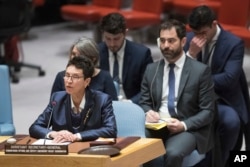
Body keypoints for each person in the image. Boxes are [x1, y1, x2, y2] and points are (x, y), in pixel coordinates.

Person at [139, 19, 216, 167]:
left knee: (172, 153)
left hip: (186, 127)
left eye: (171, 41)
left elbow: (208, 111)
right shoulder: (151, 70)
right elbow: (144, 101)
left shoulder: (200, 71)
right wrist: (147, 112)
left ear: (183, 41)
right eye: (162, 41)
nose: (166, 46)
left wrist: (184, 125)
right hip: (157, 125)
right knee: (140, 145)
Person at [184, 5, 250, 166]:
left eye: (203, 33)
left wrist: (198, 81)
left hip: (222, 99)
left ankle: (221, 162)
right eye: (195, 32)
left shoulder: (234, 44)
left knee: (230, 122)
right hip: (194, 101)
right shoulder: (189, 41)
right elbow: (179, 75)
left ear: (214, 24)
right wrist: (191, 55)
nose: (199, 37)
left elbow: (229, 79)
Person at [29, 56, 117, 143]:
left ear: (87, 82)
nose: (69, 81)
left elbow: (110, 130)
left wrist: (77, 136)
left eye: (75, 77)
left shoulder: (102, 100)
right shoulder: (57, 98)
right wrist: (53, 134)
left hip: (89, 152)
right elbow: (35, 127)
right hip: (62, 153)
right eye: (67, 75)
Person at [98, 12, 153, 104]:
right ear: (103, 34)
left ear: (125, 33)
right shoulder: (96, 52)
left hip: (131, 105)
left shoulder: (142, 54)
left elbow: (149, 88)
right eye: (108, 39)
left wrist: (131, 102)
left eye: (116, 39)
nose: (112, 44)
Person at [51, 36, 118, 100]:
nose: (75, 58)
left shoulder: (105, 77)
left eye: (81, 55)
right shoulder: (61, 77)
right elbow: (53, 107)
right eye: (73, 54)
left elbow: (113, 106)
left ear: (93, 58)